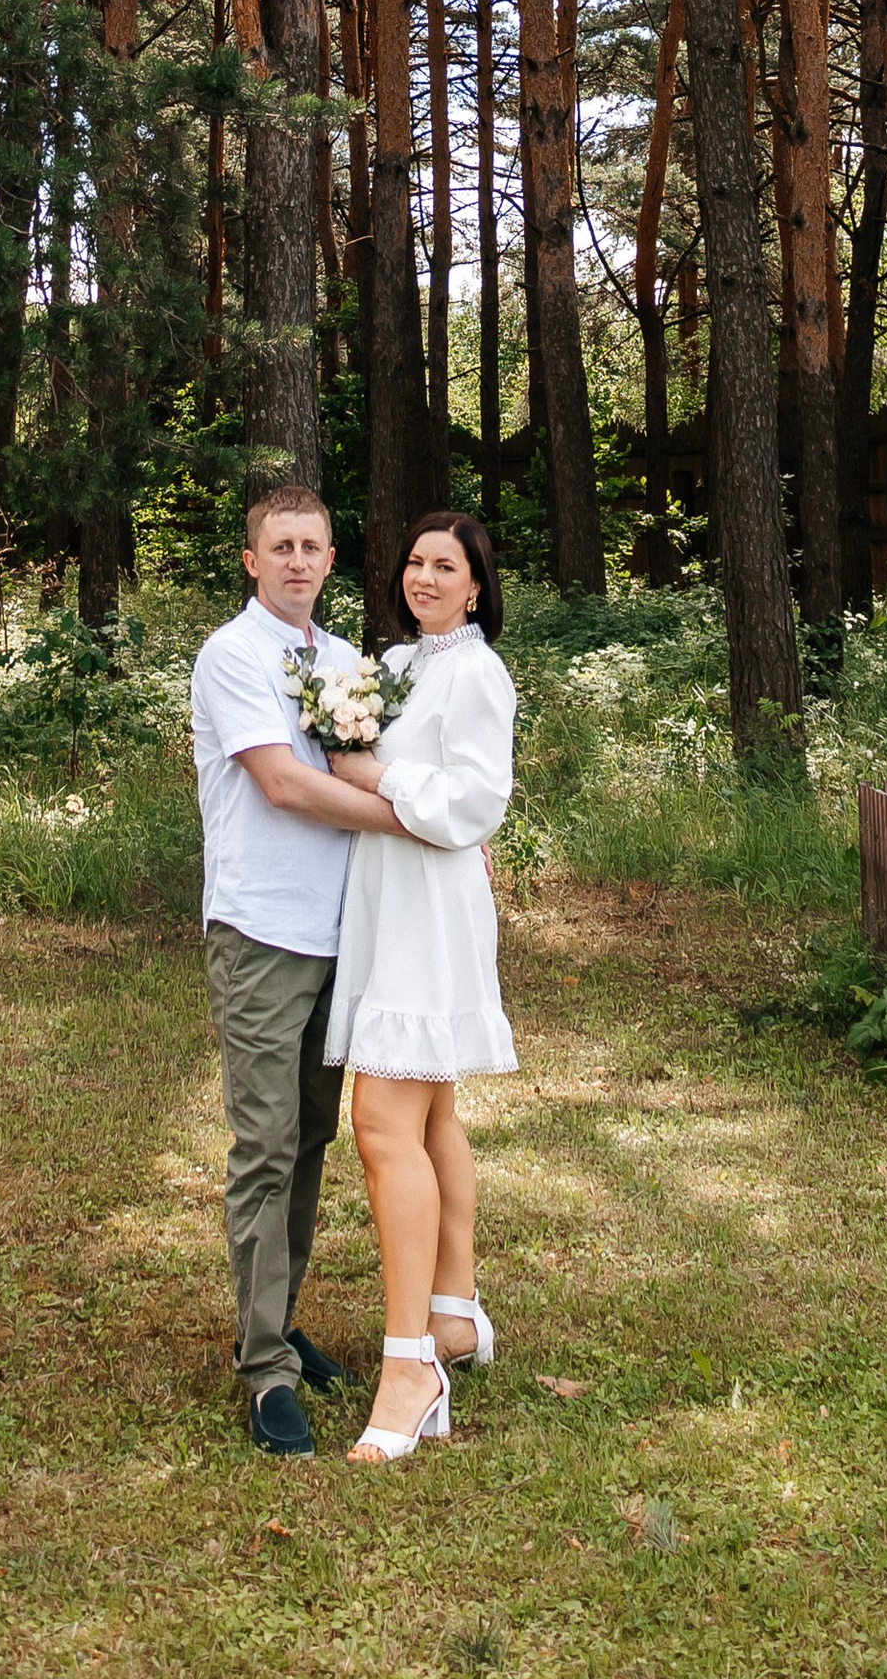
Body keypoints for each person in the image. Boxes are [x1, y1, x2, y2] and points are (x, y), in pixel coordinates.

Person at [188, 484, 408, 1459]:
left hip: (339, 933)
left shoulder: (345, 661)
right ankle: (265, 1369)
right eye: (278, 546)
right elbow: (282, 785)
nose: (296, 562)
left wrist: (434, 817)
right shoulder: (230, 656)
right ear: (251, 560)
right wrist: (408, 819)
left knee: (314, 1135)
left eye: (311, 547)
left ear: (328, 557)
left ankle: (278, 1320)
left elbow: (366, 771)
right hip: (262, 931)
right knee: (265, 1144)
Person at [323, 511, 517, 1464]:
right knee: (432, 1117)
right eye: (414, 562)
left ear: (477, 585)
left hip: (430, 904)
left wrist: (379, 774)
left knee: (381, 1125)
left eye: (447, 566)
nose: (425, 577)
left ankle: (411, 1367)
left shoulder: (477, 673)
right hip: (391, 896)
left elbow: (480, 801)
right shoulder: (401, 667)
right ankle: (453, 1313)